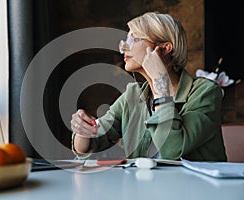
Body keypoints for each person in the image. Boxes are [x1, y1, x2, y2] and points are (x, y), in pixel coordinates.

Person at [70, 11, 227, 161]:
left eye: (135, 39)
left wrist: (160, 81)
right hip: (145, 187)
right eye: (126, 39)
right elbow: (91, 145)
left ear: (164, 49)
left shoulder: (205, 92)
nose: (123, 47)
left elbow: (172, 149)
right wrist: (82, 130)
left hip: (196, 188)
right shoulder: (132, 94)